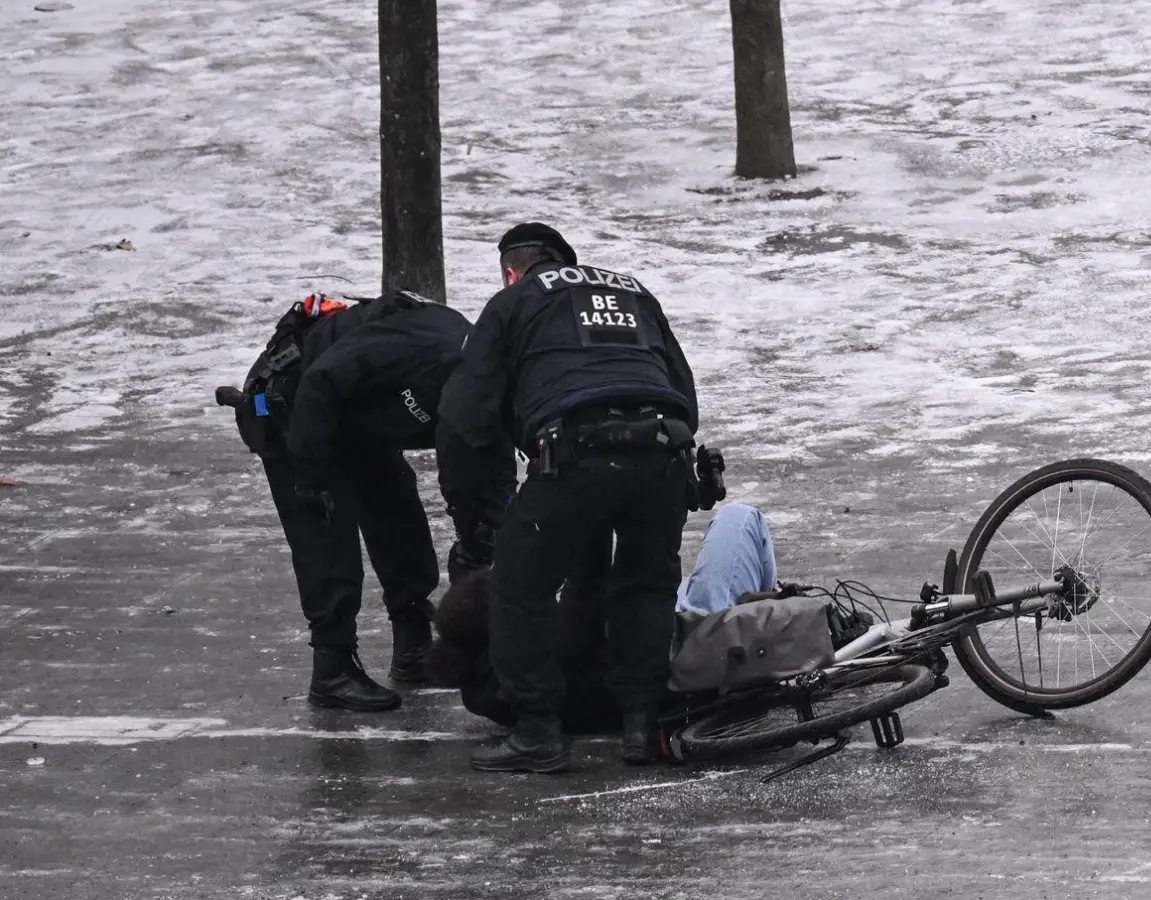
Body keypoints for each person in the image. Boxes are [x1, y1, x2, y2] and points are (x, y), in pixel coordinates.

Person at [436, 222, 698, 774]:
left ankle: (537, 733)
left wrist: (476, 507)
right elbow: (680, 383)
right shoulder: (632, 291)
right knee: (645, 584)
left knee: (518, 586)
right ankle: (640, 726)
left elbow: (465, 414)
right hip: (663, 451)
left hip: (577, 452)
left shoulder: (515, 302)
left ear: (513, 270)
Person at [225, 290, 467, 712]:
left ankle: (413, 646)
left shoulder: (482, 379)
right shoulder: (426, 352)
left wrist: (478, 530)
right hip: (296, 401)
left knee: (397, 510)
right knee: (325, 532)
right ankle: (332, 670)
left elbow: (477, 463)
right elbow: (322, 381)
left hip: (354, 412)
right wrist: (311, 475)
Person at [427, 503, 778, 735]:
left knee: (683, 584)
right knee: (741, 517)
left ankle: (756, 630)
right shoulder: (559, 644)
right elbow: (594, 587)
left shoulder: (488, 689)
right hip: (690, 648)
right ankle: (762, 647)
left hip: (647, 666)